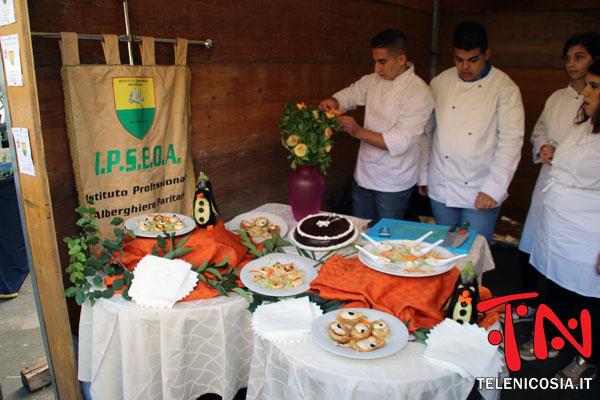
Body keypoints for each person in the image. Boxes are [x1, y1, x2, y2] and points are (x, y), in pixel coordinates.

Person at [519, 59, 600, 386]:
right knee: (556, 287)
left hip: (589, 234)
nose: (585, 92)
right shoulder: (584, 125)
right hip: (559, 227)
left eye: (594, 86)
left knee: (588, 298)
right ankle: (552, 339)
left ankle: (588, 358)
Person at [418, 21, 525, 242]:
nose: (465, 67)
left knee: (472, 254)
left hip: (480, 189)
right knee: (443, 249)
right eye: (459, 60)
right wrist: (423, 174)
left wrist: (493, 189)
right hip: (442, 184)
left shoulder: (505, 88)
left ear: (487, 54)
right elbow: (427, 132)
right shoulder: (440, 82)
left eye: (473, 60)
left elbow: (511, 143)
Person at [319, 29, 434, 220]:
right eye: (375, 61)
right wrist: (334, 101)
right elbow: (350, 94)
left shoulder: (418, 92)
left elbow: (400, 141)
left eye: (382, 62)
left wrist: (357, 131)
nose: (376, 69)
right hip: (364, 175)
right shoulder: (372, 81)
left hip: (394, 181)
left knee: (386, 239)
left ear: (401, 59)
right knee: (362, 230)